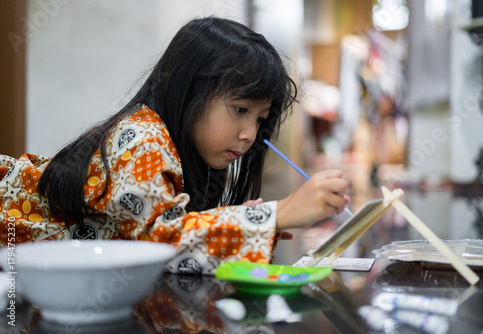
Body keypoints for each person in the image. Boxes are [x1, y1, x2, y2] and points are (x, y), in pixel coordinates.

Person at [0, 17, 348, 274]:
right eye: (240, 110)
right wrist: (278, 213)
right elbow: (158, 246)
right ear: (189, 89)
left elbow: (164, 229)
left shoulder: (179, 147)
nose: (249, 134)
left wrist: (244, 220)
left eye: (259, 119)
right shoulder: (142, 138)